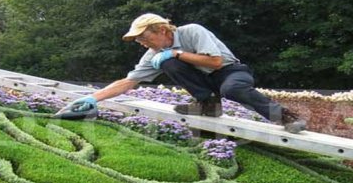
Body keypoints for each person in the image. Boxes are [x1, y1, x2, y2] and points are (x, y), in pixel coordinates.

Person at [63, 13, 307, 133]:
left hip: (229, 72)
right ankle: (207, 104)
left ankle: (286, 117)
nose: (141, 42)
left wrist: (177, 53)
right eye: (138, 39)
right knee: (165, 63)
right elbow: (129, 82)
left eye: (143, 37)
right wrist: (92, 99)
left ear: (160, 29)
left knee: (231, 89)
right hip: (205, 83)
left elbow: (215, 61)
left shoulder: (192, 32)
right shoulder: (154, 53)